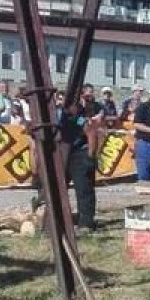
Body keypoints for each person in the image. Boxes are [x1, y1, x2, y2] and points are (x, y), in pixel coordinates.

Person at [58, 87, 101, 231]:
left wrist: (90, 157)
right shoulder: (60, 115)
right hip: (64, 153)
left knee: (83, 189)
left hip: (79, 154)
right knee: (58, 187)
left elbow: (91, 134)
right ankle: (59, 219)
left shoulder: (80, 118)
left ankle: (86, 222)